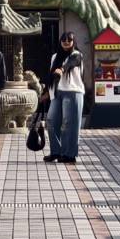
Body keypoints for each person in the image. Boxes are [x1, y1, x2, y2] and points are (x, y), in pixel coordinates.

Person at [44, 30, 86, 165]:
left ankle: (69, 154)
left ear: (73, 42)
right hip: (56, 93)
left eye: (69, 40)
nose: (66, 42)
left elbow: (71, 64)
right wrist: (46, 92)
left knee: (69, 124)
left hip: (73, 92)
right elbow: (51, 75)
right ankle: (56, 152)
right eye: (64, 40)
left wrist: (61, 70)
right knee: (51, 122)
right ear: (60, 42)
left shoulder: (77, 55)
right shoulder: (54, 57)